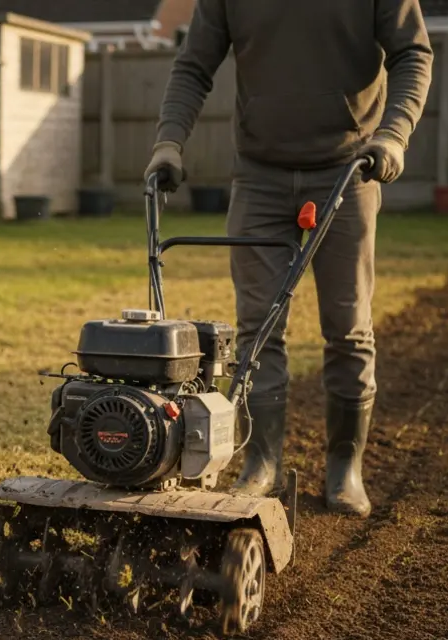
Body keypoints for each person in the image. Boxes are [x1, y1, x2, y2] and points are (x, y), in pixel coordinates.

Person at [145, 1, 433, 517]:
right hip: (260, 173)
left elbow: (413, 53)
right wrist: (169, 142)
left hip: (349, 168)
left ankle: (345, 466)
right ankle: (263, 461)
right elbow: (194, 64)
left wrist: (393, 134)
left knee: (347, 327)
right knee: (258, 327)